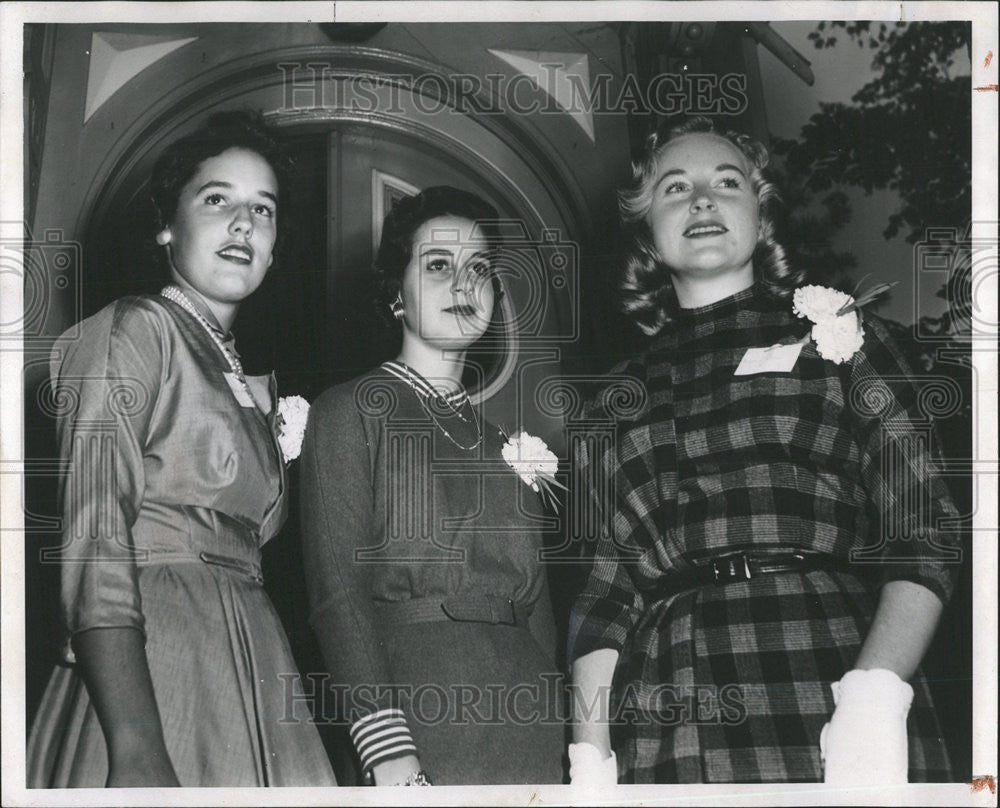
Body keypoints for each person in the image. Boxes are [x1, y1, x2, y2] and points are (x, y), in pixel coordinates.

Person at [567, 117, 961, 784]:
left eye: (726, 183)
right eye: (674, 188)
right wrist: (590, 757)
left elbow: (925, 525)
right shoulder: (611, 399)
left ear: (760, 212)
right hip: (669, 702)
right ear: (646, 230)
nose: (701, 200)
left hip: (824, 665)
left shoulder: (838, 335)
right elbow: (604, 600)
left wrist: (873, 696)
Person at [27, 110, 337, 787]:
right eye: (217, 198)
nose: (244, 224)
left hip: (253, 660)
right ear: (168, 224)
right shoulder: (133, 329)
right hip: (152, 661)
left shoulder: (247, 379)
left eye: (265, 209)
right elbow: (94, 535)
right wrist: (136, 743)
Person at [300, 186, 564, 786]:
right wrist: (386, 747)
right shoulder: (350, 411)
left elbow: (540, 616)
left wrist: (567, 739)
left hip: (534, 721)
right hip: (419, 711)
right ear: (396, 293)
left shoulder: (509, 445)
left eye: (480, 271)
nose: (464, 287)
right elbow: (338, 594)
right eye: (439, 266)